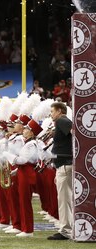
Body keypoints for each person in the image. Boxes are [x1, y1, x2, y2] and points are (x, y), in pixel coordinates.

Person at [5, 118, 42, 237]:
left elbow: (23, 160)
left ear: (31, 133)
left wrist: (8, 155)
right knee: (22, 200)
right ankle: (24, 227)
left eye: (27, 129)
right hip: (23, 172)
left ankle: (28, 230)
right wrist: (16, 171)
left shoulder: (31, 144)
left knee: (25, 202)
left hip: (27, 174)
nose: (24, 130)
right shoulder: (28, 143)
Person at [47, 102, 73, 240]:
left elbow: (75, 134)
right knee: (65, 199)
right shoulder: (62, 123)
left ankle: (65, 230)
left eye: (52, 111)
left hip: (65, 164)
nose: (51, 114)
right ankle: (67, 228)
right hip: (63, 165)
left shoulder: (62, 120)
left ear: (59, 111)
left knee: (64, 199)